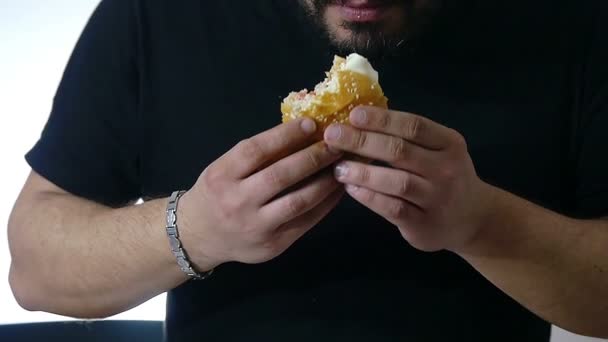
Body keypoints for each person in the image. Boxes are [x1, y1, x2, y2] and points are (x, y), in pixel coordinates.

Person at [7, 0, 608, 341]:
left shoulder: (572, 21)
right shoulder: (157, 15)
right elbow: (33, 270)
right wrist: (193, 230)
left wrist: (483, 225)